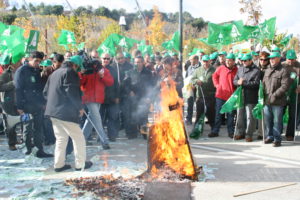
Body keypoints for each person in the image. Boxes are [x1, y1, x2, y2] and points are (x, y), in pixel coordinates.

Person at [44, 59, 93, 172]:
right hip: (65, 111)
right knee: (78, 137)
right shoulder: (70, 72)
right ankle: (80, 164)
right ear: (75, 65)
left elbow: (45, 92)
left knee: (61, 138)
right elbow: (71, 92)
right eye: (78, 67)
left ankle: (59, 164)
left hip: (53, 111)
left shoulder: (54, 73)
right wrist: (79, 107)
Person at [14, 51, 53, 158]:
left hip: (37, 104)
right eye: (36, 61)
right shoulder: (21, 71)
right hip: (26, 104)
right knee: (28, 128)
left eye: (39, 61)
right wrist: (19, 106)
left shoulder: (36, 70)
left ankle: (39, 150)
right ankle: (28, 150)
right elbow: (18, 89)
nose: (38, 63)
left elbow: (40, 88)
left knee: (39, 128)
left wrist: (43, 102)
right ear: (30, 59)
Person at [80, 54, 113, 149]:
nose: (95, 62)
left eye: (96, 59)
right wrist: (83, 73)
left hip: (99, 98)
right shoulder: (88, 70)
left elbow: (110, 82)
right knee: (97, 119)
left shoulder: (103, 70)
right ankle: (104, 141)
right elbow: (81, 83)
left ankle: (81, 139)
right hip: (89, 98)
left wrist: (102, 76)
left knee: (91, 119)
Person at [122, 56, 154, 139]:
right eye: (136, 62)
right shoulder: (130, 72)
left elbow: (151, 86)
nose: (138, 64)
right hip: (133, 98)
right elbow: (125, 84)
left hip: (144, 98)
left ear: (143, 62)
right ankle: (132, 134)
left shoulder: (148, 73)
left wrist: (149, 97)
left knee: (143, 116)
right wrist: (129, 91)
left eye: (139, 62)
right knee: (132, 115)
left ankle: (144, 134)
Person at [263, 52, 290, 147]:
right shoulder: (267, 70)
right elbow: (264, 84)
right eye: (270, 58)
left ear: (279, 58)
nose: (271, 60)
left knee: (277, 121)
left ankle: (277, 139)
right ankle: (269, 136)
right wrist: (261, 94)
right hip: (267, 100)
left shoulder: (284, 70)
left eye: (273, 58)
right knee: (267, 120)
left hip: (278, 101)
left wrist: (274, 95)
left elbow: (285, 86)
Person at [233, 53, 260, 142]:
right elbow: (235, 80)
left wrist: (244, 83)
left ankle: (249, 134)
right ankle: (240, 133)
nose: (243, 62)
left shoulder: (256, 70)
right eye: (242, 60)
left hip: (251, 96)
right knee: (239, 116)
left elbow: (256, 84)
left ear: (250, 60)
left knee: (250, 117)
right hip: (241, 96)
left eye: (245, 61)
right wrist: (238, 82)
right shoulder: (240, 69)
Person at [211, 53, 238, 138]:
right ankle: (215, 131)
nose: (227, 62)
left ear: (234, 61)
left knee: (230, 116)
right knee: (218, 115)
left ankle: (231, 132)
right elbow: (214, 76)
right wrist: (217, 85)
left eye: (229, 60)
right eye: (226, 60)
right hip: (220, 95)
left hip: (231, 97)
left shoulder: (237, 70)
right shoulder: (221, 68)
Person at [0, 57, 21, 150]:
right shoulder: (5, 74)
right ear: (12, 63)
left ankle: (15, 139)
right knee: (9, 124)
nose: (19, 62)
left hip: (17, 101)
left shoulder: (19, 71)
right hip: (8, 102)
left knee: (16, 122)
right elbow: (1, 87)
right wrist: (13, 83)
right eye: (18, 61)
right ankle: (11, 143)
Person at [191, 55, 216, 131]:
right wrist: (196, 81)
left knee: (210, 112)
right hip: (200, 95)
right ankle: (197, 129)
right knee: (199, 113)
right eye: (204, 61)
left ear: (210, 61)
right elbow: (192, 79)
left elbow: (217, 79)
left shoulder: (214, 70)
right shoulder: (197, 70)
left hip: (210, 95)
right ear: (202, 61)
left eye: (207, 61)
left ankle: (214, 129)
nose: (205, 63)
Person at [101, 53, 120, 142]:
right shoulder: (97, 69)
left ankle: (112, 136)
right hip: (100, 99)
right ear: (101, 59)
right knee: (100, 119)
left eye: (108, 59)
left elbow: (116, 84)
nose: (106, 60)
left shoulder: (113, 70)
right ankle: (100, 137)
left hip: (111, 98)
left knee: (112, 118)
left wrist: (117, 96)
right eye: (104, 58)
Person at [282, 49, 300, 141]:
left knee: (293, 115)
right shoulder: (282, 66)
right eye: (289, 59)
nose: (291, 61)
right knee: (279, 113)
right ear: (286, 58)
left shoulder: (299, 66)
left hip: (295, 94)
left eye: (293, 59)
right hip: (283, 94)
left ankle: (290, 134)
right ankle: (278, 131)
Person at [185, 55, 201, 125]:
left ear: (197, 60)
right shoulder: (189, 67)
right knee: (189, 103)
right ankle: (189, 119)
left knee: (198, 105)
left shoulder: (201, 67)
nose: (191, 61)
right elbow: (187, 77)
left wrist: (195, 85)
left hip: (198, 88)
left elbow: (201, 78)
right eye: (190, 60)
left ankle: (198, 120)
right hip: (189, 88)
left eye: (192, 60)